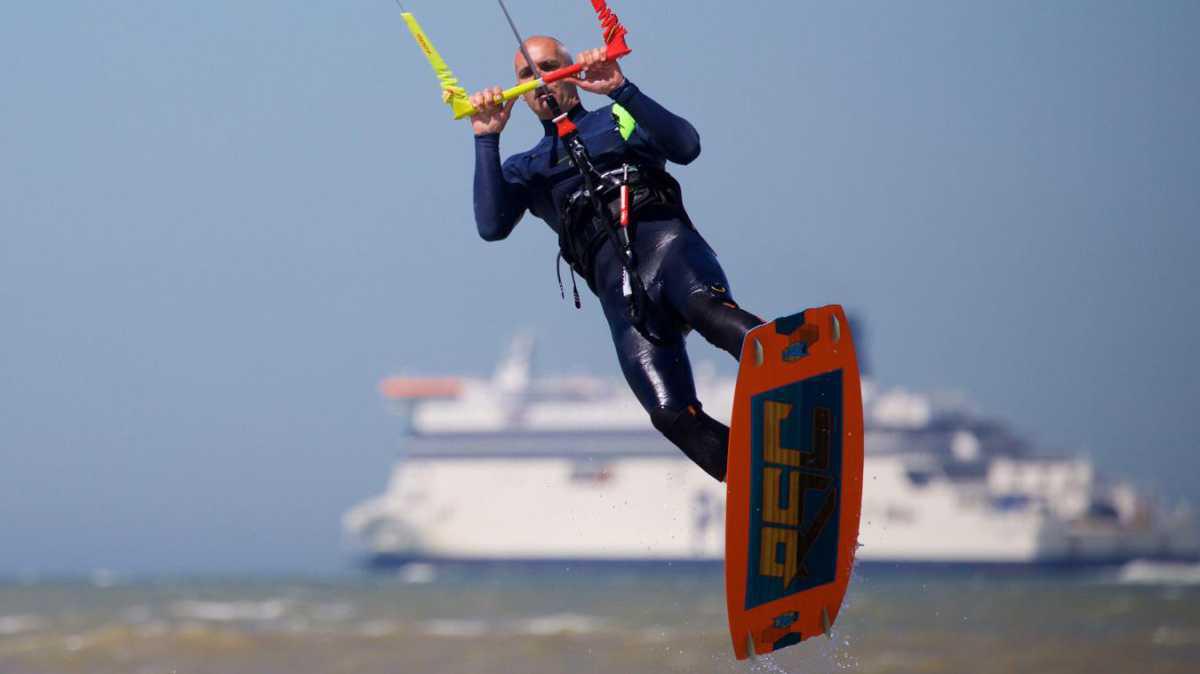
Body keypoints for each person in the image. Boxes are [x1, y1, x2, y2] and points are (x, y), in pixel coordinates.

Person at [470, 36, 763, 482]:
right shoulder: (525, 167)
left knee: (710, 315)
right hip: (625, 301)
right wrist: (486, 138)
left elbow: (686, 147)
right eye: (526, 75)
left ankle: (796, 365)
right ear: (518, 93)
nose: (540, 80)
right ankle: (756, 475)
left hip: (671, 253)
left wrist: (620, 88)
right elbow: (491, 226)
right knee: (669, 414)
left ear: (572, 71)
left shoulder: (618, 118)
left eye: (549, 66)